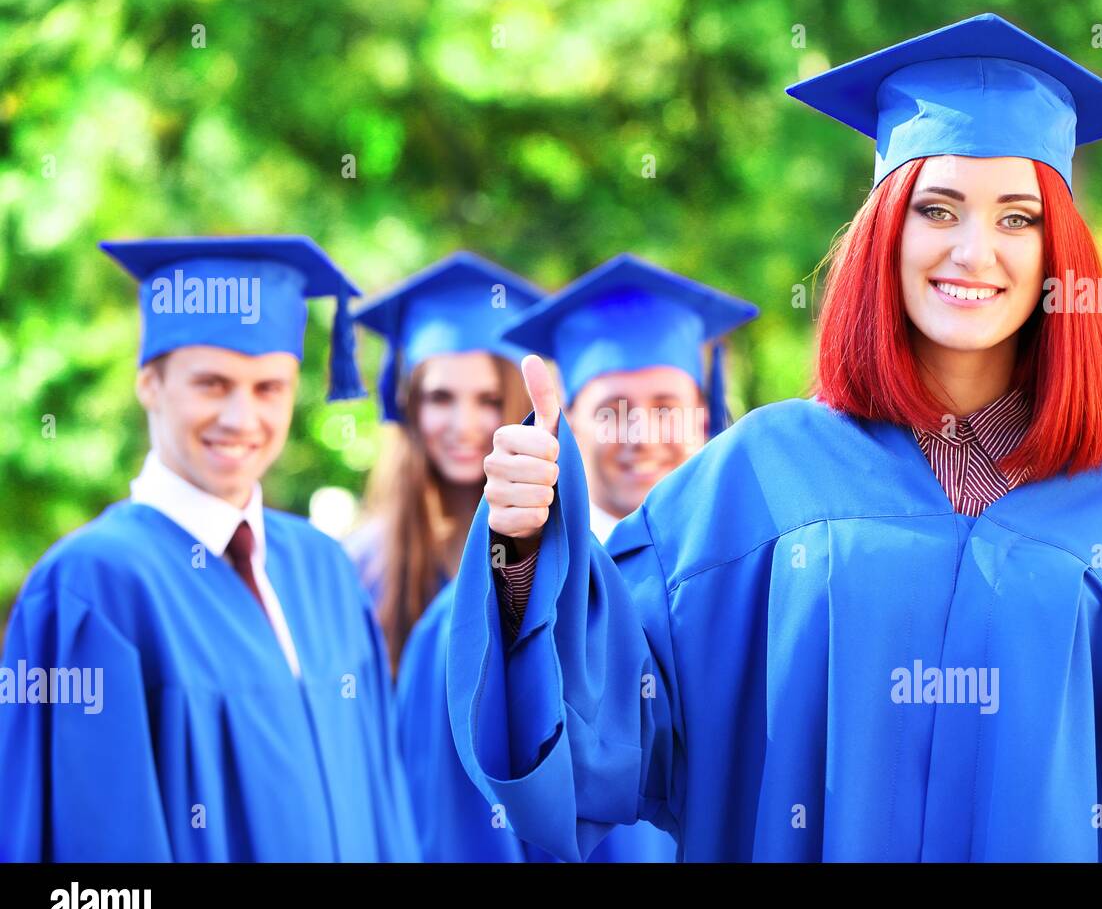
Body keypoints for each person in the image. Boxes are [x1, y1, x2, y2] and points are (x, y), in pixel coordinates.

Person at [444, 14, 1102, 862]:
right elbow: (607, 725)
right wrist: (523, 550)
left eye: (1017, 218)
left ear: (1057, 254)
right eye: (938, 208)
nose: (974, 251)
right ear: (886, 233)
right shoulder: (762, 477)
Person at [0, 236, 419, 861]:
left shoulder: (324, 568)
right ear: (150, 382)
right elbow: (96, 853)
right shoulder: (93, 586)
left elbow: (384, 806)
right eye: (212, 383)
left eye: (268, 387)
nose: (241, 417)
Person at [396, 254, 757, 861]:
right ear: (570, 425)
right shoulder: (471, 624)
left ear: (704, 414)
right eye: (612, 409)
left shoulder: (745, 596)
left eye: (668, 404)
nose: (643, 434)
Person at [345, 252, 536, 671]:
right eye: (440, 397)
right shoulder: (362, 563)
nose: (463, 426)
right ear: (409, 406)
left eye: (489, 400)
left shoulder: (551, 552)